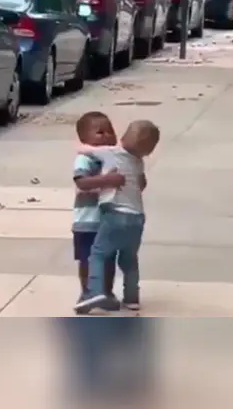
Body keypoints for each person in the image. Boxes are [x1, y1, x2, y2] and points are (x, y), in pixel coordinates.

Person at [74, 120, 161, 314]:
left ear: (122, 138)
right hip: (137, 218)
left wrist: (85, 145)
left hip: (115, 214)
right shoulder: (139, 162)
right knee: (129, 260)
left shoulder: (111, 152)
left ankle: (94, 292)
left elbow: (83, 149)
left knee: (97, 254)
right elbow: (142, 185)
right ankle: (132, 299)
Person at [71, 112, 123, 313]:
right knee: (86, 259)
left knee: (109, 258)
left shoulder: (115, 158)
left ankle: (106, 293)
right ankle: (87, 293)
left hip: (109, 220)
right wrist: (108, 180)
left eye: (111, 131)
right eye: (100, 132)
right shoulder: (85, 159)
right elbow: (81, 183)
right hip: (87, 221)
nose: (108, 136)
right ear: (84, 139)